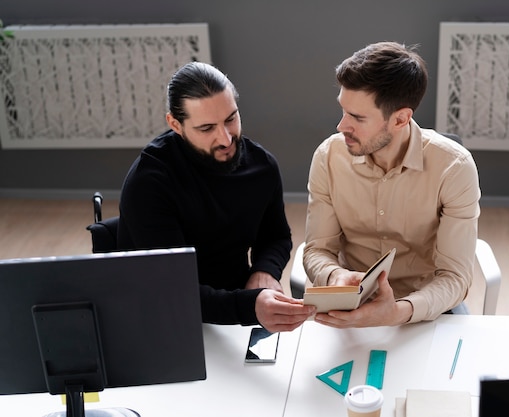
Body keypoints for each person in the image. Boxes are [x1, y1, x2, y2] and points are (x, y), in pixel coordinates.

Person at [118, 62, 315, 332]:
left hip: (235, 303)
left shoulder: (262, 166)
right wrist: (249, 307)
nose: (225, 139)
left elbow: (276, 236)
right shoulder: (149, 182)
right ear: (176, 124)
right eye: (207, 128)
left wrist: (264, 271)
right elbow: (172, 287)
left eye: (231, 119)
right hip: (161, 311)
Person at [303, 42, 481, 328]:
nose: (341, 126)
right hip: (351, 303)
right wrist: (335, 276)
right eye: (344, 110)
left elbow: (454, 277)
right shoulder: (328, 157)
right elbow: (317, 250)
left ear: (400, 119)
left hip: (426, 306)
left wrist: (399, 311)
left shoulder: (454, 168)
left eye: (358, 118)